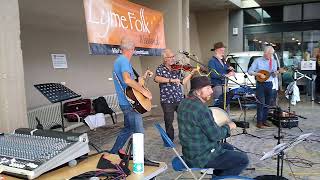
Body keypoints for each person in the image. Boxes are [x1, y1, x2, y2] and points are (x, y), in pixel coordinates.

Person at [177, 76, 249, 176]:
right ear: (197, 92)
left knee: (228, 147)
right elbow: (216, 136)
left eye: (211, 87)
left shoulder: (183, 102)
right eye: (207, 88)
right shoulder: (201, 108)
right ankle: (223, 178)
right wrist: (229, 126)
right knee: (243, 159)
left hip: (190, 152)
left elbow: (198, 125)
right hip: (201, 157)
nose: (211, 91)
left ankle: (217, 176)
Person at [110, 37, 153, 153]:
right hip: (130, 104)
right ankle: (137, 159)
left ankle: (113, 152)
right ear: (132, 49)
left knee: (128, 129)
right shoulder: (123, 61)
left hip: (126, 102)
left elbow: (132, 84)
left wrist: (143, 78)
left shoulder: (121, 61)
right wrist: (145, 92)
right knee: (139, 133)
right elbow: (127, 80)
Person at [154, 49, 197, 141]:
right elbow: (157, 78)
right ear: (165, 59)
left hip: (179, 99)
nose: (173, 58)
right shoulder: (160, 68)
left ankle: (185, 137)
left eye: (174, 56)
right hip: (167, 100)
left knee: (184, 119)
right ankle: (170, 140)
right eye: (171, 57)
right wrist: (171, 80)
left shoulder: (177, 69)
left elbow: (183, 82)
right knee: (169, 121)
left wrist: (191, 74)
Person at [248, 46, 278, 129]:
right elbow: (250, 71)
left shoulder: (273, 61)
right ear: (265, 53)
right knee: (260, 103)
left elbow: (274, 74)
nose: (270, 55)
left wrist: (276, 73)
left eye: (271, 54)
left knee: (267, 104)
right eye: (269, 54)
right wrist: (258, 74)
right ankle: (259, 122)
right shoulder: (257, 61)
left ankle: (264, 121)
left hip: (269, 84)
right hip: (260, 84)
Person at [208, 42, 235, 108]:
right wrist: (227, 75)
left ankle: (227, 118)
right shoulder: (212, 61)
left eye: (223, 50)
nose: (223, 52)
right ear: (216, 50)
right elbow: (213, 75)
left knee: (227, 105)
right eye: (221, 50)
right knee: (220, 106)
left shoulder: (223, 61)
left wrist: (229, 69)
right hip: (218, 86)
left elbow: (223, 70)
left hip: (225, 85)